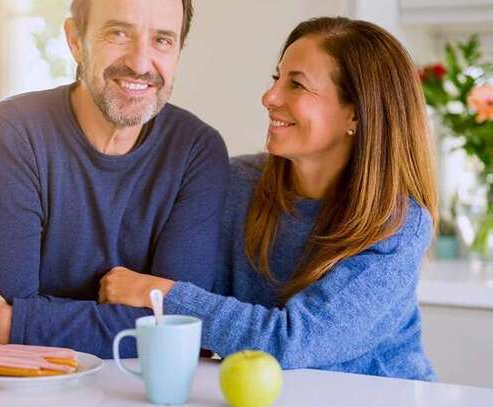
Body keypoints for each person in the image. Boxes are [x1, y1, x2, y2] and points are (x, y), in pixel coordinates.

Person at [96, 16, 439, 380]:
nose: (269, 97)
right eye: (277, 79)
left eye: (297, 85)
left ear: (355, 113)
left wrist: (161, 294)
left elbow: (292, 341)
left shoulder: (397, 225)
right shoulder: (235, 182)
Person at [0, 0, 229, 358]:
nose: (141, 63)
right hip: (23, 386)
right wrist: (135, 318)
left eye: (162, 40)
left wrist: (14, 324)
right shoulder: (14, 132)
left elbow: (179, 327)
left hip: (139, 392)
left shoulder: (197, 151)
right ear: (75, 40)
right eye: (118, 33)